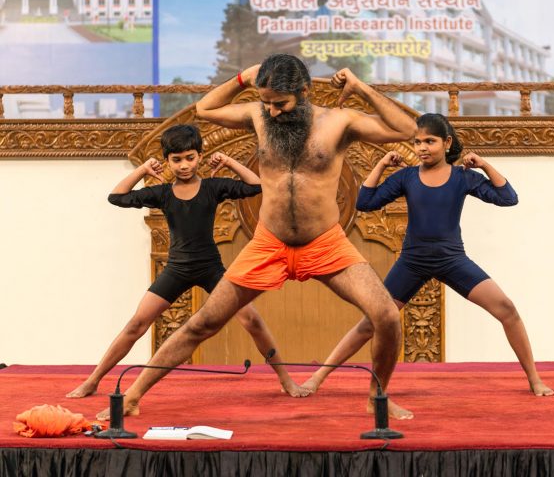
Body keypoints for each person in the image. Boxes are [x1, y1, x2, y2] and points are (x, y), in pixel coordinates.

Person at [97, 53, 417, 421]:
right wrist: (241, 80)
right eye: (266, 102)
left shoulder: (339, 122)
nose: (273, 112)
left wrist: (361, 88)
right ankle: (133, 396)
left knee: (386, 315)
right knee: (203, 322)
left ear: (304, 91)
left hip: (325, 243)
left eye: (280, 103)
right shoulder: (258, 115)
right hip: (269, 244)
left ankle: (377, 397)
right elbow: (205, 109)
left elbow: (405, 129)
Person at [301, 113, 554, 397]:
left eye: (429, 141)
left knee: (507, 310)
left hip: (452, 260)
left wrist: (484, 164)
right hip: (413, 262)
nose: (422, 147)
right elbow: (365, 202)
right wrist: (381, 165)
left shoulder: (463, 177)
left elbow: (508, 198)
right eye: (418, 142)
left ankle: (534, 379)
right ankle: (317, 378)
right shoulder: (407, 177)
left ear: (447, 143)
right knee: (371, 322)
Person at [69, 123, 307, 399]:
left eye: (190, 158)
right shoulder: (162, 193)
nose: (184, 165)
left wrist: (229, 161)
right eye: (177, 160)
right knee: (136, 324)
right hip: (177, 269)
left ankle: (286, 380)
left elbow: (255, 186)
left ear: (200, 156)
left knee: (252, 320)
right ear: (167, 161)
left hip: (211, 269)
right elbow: (117, 197)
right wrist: (143, 169)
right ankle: (93, 380)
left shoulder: (213, 187)